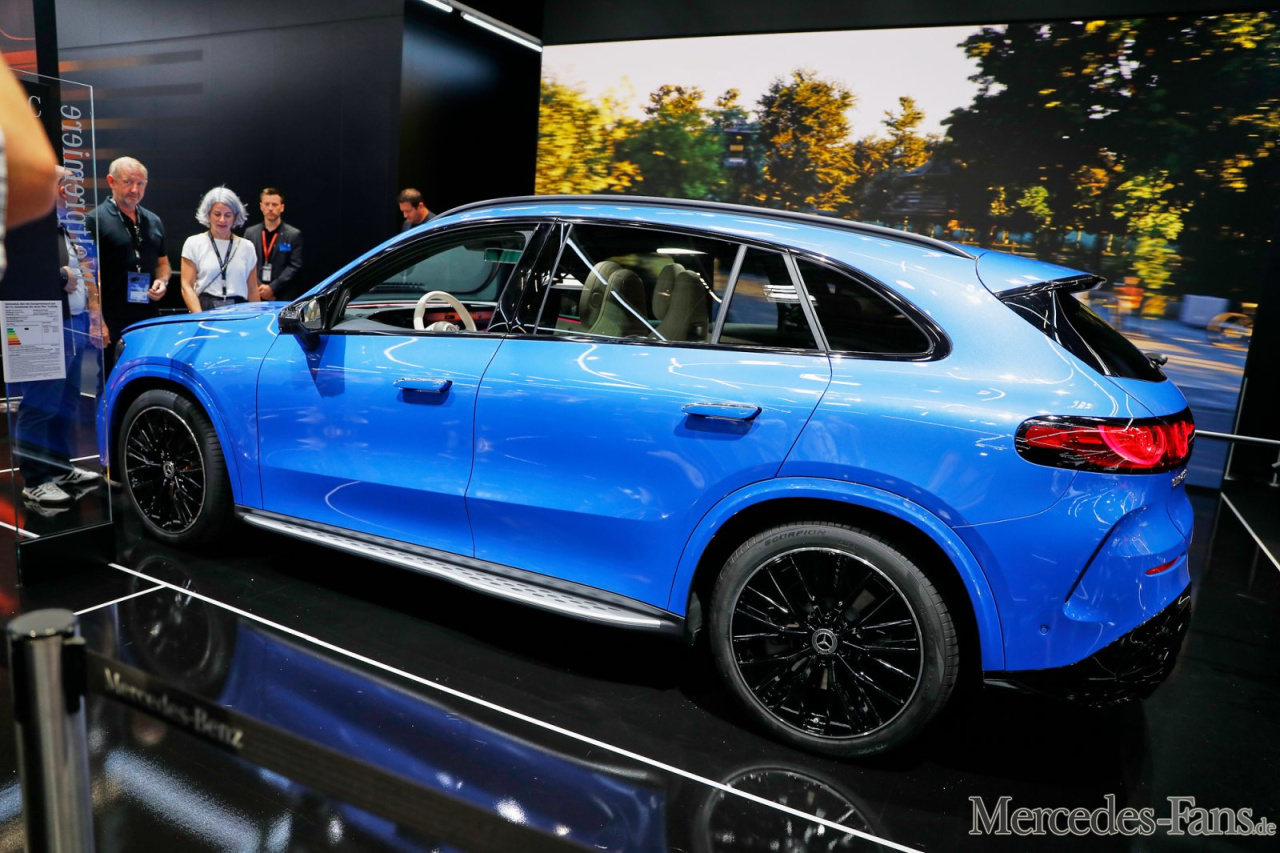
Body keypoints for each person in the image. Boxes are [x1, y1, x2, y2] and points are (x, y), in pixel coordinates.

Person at [12, 170, 105, 505]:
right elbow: (13, 271)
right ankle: (35, 480)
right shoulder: (26, 224)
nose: (73, 192)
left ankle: (60, 468)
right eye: (66, 186)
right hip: (40, 324)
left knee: (66, 402)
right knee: (40, 403)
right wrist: (59, 276)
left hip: (72, 324)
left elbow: (86, 271)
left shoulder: (68, 226)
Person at [84, 156, 170, 376]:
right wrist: (96, 320)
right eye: (128, 182)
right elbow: (87, 274)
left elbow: (163, 263)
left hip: (148, 316)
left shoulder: (153, 220)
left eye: (140, 183)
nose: (135, 189)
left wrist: (162, 280)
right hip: (112, 319)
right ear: (111, 181)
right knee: (111, 380)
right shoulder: (94, 220)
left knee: (148, 375)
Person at [180, 186, 260, 312]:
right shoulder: (194, 243)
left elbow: (253, 289)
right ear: (208, 214)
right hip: (205, 308)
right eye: (217, 214)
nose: (222, 220)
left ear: (235, 216)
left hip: (240, 310)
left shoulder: (247, 247)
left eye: (228, 215)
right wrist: (199, 317)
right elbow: (186, 286)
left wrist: (257, 318)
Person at [243, 186, 304, 302]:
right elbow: (245, 263)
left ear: (282, 207)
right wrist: (260, 288)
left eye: (275, 205)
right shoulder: (250, 233)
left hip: (282, 295)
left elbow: (294, 266)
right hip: (255, 294)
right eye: (267, 204)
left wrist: (272, 288)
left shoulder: (293, 234)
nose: (270, 208)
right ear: (261, 206)